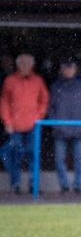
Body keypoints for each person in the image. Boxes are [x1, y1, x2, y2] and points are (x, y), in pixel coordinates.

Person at [0, 53, 49, 194]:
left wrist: (38, 117)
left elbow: (44, 100)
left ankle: (34, 185)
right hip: (15, 126)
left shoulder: (38, 81)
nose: (25, 66)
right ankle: (16, 184)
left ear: (32, 65)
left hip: (34, 126)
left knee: (34, 155)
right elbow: (4, 102)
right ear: (18, 65)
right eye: (22, 63)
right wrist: (7, 121)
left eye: (28, 63)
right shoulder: (10, 81)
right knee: (15, 156)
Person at [47, 57, 81, 194]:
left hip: (79, 130)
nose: (68, 71)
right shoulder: (55, 86)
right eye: (65, 68)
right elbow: (51, 108)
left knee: (79, 160)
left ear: (75, 69)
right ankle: (64, 186)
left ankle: (78, 185)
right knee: (59, 159)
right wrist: (57, 125)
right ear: (61, 70)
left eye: (70, 67)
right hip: (60, 130)